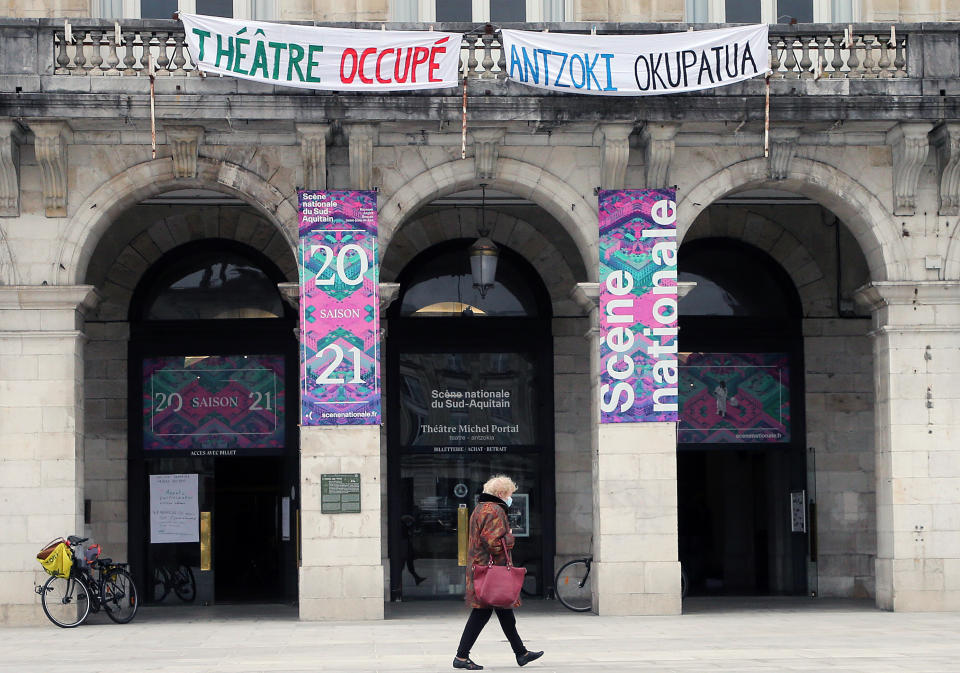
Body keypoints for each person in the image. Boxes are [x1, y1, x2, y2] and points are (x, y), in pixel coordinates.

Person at [453, 475, 544, 670]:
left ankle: (521, 653)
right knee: (482, 613)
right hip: (490, 571)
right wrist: (510, 538)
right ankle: (461, 657)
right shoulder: (494, 510)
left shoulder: (480, 508)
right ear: (502, 494)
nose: (511, 497)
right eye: (511, 493)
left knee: (504, 613)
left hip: (482, 569)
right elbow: (494, 543)